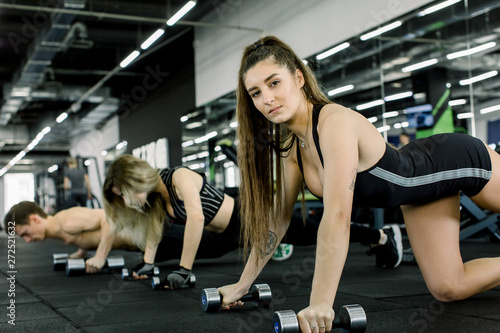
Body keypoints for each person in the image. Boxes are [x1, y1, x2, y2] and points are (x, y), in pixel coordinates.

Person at [218, 35, 500, 333]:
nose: (267, 99)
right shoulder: (294, 149)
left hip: (457, 159)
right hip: (422, 193)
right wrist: (242, 285)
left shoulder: (333, 123)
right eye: (256, 92)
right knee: (448, 288)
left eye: (274, 83)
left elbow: (338, 216)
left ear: (298, 78)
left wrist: (321, 303)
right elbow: (277, 221)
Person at [102, 155, 403, 288]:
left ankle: (380, 236)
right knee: (185, 249)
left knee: (312, 233)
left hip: (249, 217)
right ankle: (377, 237)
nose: (127, 201)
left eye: (124, 193)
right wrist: (148, 262)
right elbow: (154, 232)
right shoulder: (155, 201)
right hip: (226, 236)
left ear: (135, 178)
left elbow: (195, 216)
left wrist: (184, 269)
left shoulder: (178, 177)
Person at [3, 201, 247, 273]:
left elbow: (108, 219)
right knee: (215, 247)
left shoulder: (65, 220)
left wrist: (100, 256)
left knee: (216, 244)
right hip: (150, 246)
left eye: (25, 234)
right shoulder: (60, 230)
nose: (27, 240)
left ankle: (267, 237)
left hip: (158, 234)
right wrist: (81, 253)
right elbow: (88, 236)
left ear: (35, 220)